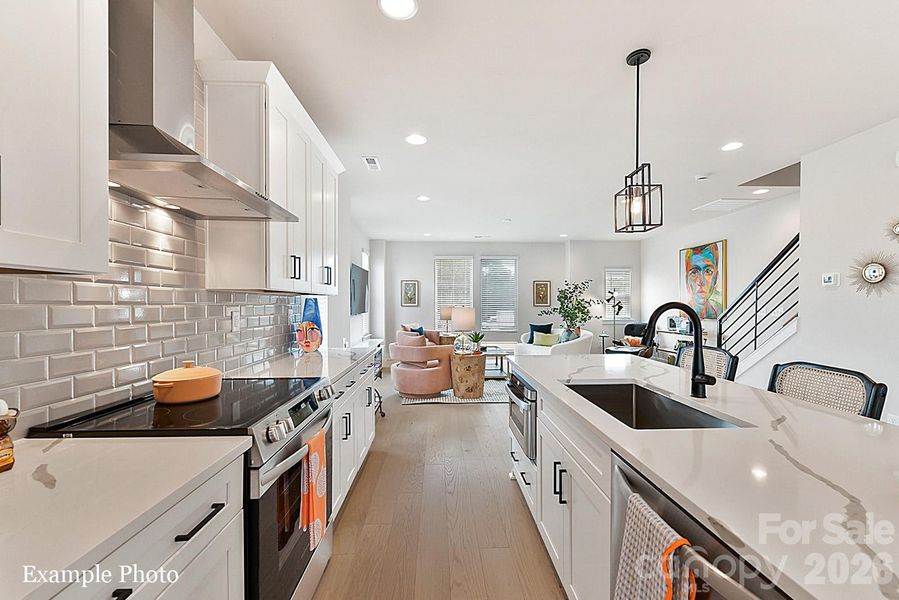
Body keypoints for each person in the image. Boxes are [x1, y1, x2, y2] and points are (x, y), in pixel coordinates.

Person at [684, 244, 723, 319]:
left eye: (708, 271)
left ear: (716, 278)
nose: (701, 282)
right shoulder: (682, 313)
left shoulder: (720, 311)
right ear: (687, 280)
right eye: (694, 272)